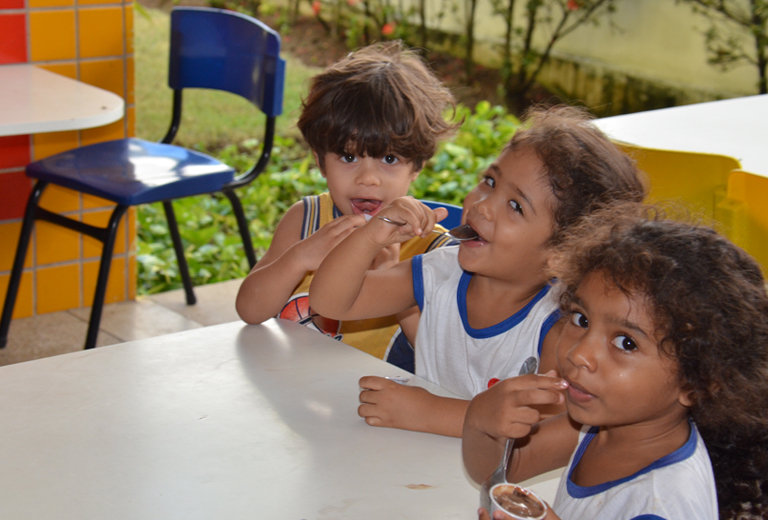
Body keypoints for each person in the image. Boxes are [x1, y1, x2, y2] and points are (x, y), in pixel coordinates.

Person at [309, 105, 647, 437]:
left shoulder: (559, 326)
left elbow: (545, 426)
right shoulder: (439, 272)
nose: (482, 205)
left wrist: (428, 412)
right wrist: (371, 237)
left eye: (515, 206)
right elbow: (331, 303)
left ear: (561, 253)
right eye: (489, 181)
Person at [463, 204, 768, 519]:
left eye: (626, 342)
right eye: (581, 319)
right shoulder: (600, 426)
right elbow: (495, 473)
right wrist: (482, 421)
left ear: (696, 381)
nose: (579, 353)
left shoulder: (661, 504)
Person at [235, 41, 458, 369]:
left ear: (417, 166)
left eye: (390, 158)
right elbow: (250, 311)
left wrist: (390, 280)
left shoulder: (431, 250)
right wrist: (299, 258)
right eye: (349, 156)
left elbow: (443, 364)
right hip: (295, 391)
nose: (368, 178)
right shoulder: (307, 221)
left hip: (377, 408)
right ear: (320, 161)